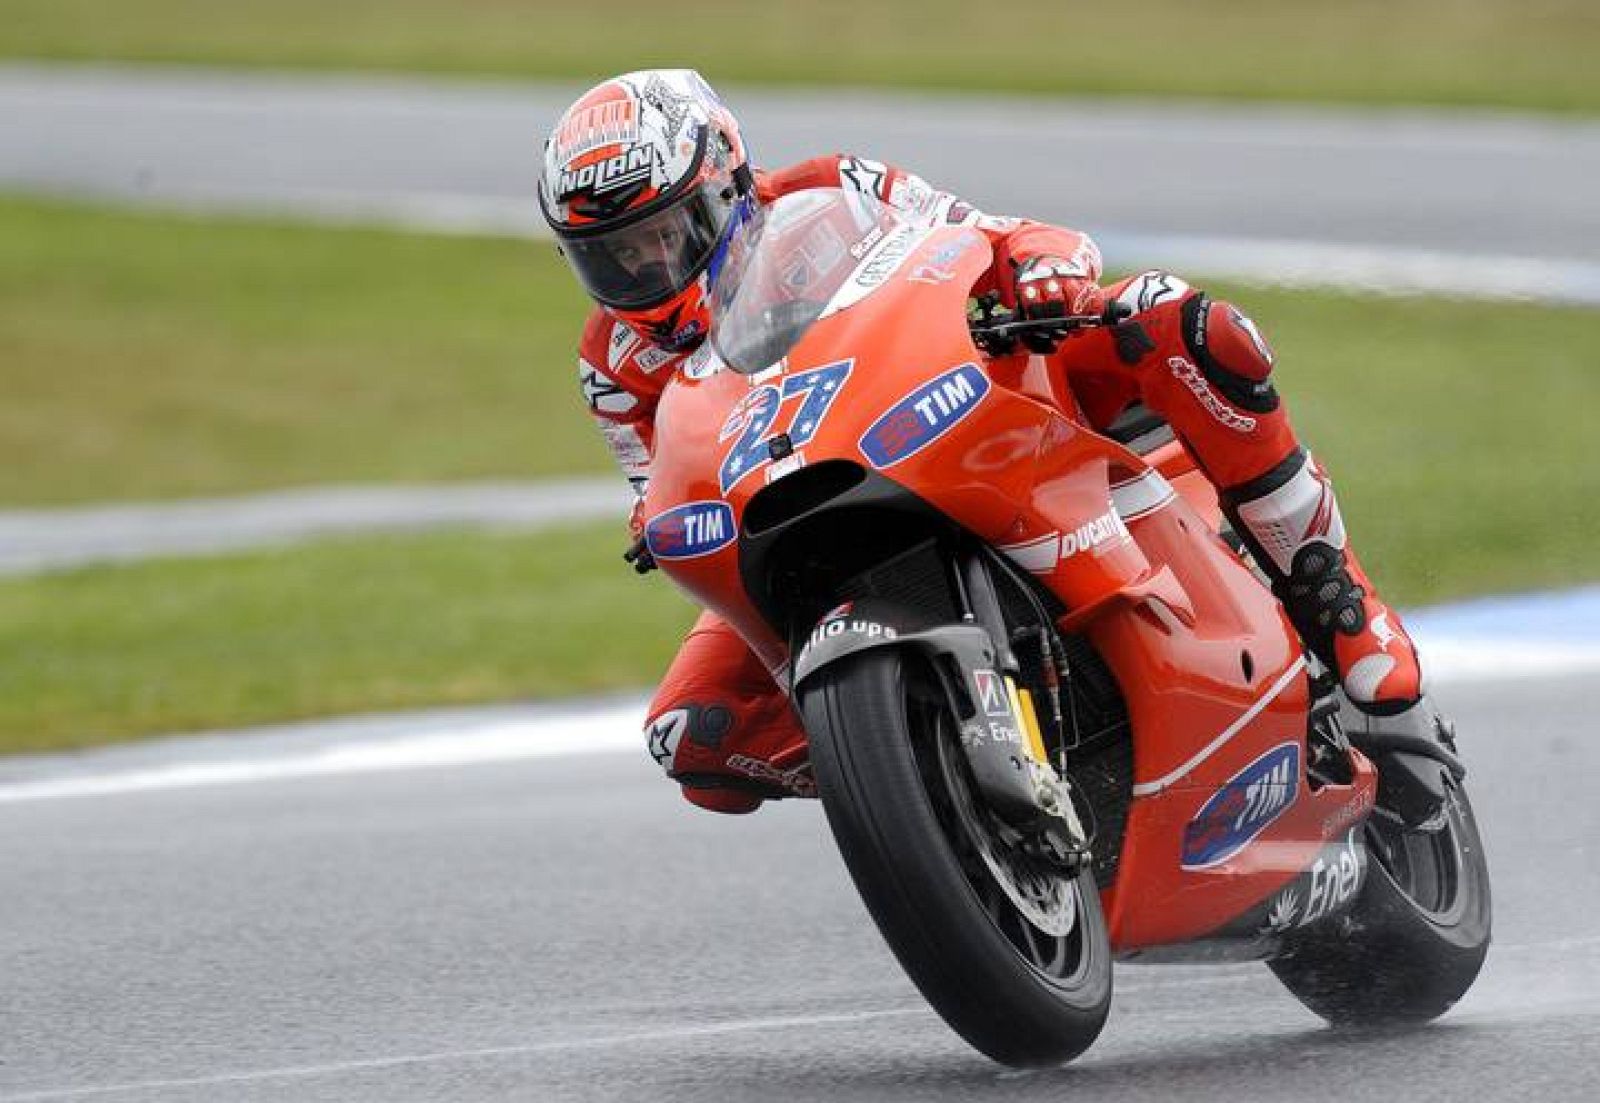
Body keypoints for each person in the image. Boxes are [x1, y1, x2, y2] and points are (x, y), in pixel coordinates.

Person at [538, 69, 1442, 815]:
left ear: (729, 182)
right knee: (692, 735)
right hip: (791, 504)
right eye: (614, 256)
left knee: (1178, 321)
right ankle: (924, 765)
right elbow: (660, 482)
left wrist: (1042, 268)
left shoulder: (831, 188)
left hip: (946, 402)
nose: (648, 271)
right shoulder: (610, 362)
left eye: (666, 234)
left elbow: (989, 233)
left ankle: (1333, 591)